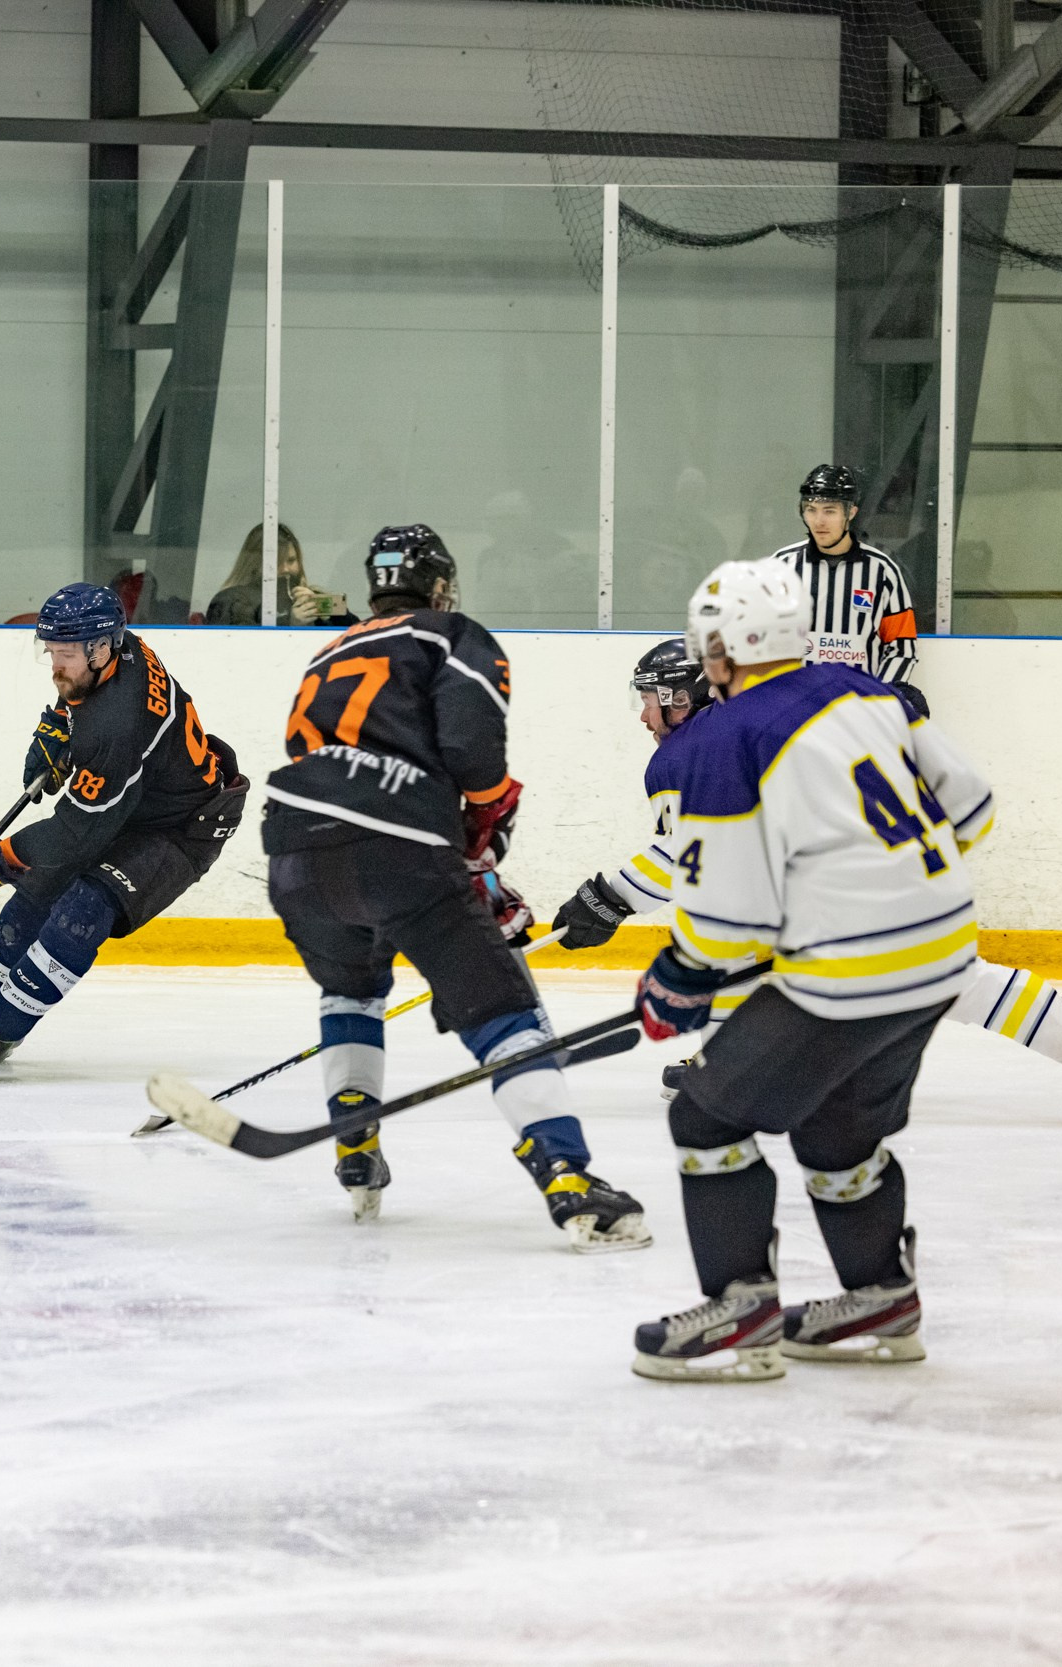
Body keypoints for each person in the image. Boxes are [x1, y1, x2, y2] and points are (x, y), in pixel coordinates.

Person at [629, 559, 994, 1381]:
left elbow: (730, 919)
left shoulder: (724, 737)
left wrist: (679, 977)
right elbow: (970, 804)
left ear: (720, 648)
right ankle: (880, 1298)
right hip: (941, 952)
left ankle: (739, 1312)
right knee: (835, 1129)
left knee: (707, 1119)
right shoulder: (868, 693)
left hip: (850, 975)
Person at [552, 640, 1062, 1124]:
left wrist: (609, 897)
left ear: (686, 697)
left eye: (652, 698)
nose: (644, 714)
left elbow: (691, 851)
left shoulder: (692, 749)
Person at [259, 525, 650, 1244]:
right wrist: (485, 817)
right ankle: (567, 1175)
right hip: (394, 844)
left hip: (291, 845)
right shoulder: (451, 634)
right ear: (438, 583)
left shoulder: (332, 645)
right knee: (500, 1009)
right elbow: (472, 750)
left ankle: (356, 1146)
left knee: (351, 987)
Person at [0, 582, 247, 1079]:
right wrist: (59, 728)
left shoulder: (118, 723)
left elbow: (75, 832)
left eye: (66, 654)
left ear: (100, 648)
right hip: (135, 804)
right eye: (50, 651)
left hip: (184, 827)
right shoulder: (122, 649)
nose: (56, 666)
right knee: (25, 906)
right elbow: (80, 706)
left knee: (82, 910)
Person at [765, 463, 928, 716]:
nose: (819, 521)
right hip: (791, 712)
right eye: (811, 510)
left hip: (859, 715)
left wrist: (877, 700)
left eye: (829, 511)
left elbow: (901, 646)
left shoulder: (882, 571)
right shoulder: (780, 567)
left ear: (851, 512)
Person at [203, 522, 356, 626]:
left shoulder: (310, 596)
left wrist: (335, 612)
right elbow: (238, 648)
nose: (285, 569)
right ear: (254, 564)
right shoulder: (232, 599)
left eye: (291, 560)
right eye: (275, 562)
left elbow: (359, 636)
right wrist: (291, 624)